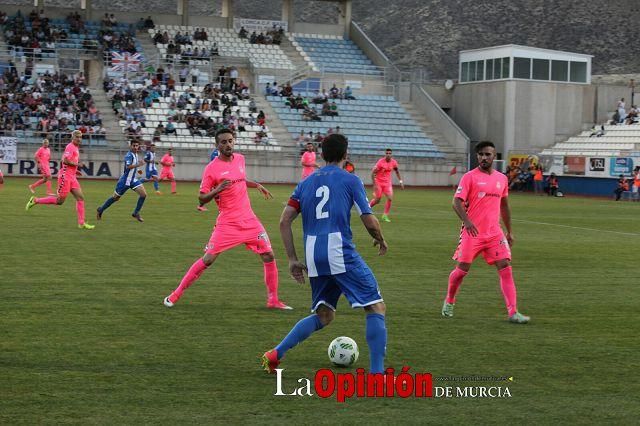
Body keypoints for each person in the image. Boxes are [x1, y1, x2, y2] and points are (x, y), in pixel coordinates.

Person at [261, 134, 388, 374]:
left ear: (321, 155)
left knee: (325, 314)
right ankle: (377, 374)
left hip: (313, 254)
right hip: (339, 251)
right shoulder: (351, 180)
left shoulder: (305, 183)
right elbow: (369, 219)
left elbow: (284, 221)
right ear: (345, 154)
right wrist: (380, 239)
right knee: (375, 307)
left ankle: (275, 354)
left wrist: (291, 259)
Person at [163, 128, 291, 310]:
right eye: (223, 142)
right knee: (208, 259)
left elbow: (239, 180)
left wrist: (256, 185)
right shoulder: (211, 169)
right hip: (228, 223)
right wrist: (217, 190)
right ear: (217, 145)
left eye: (230, 141)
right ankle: (176, 294)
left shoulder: (240, 159)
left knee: (269, 255)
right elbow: (202, 198)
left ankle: (273, 300)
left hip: (249, 220)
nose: (228, 144)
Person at [442, 141, 529, 324]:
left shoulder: (502, 179)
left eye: (487, 154)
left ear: (494, 156)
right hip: (472, 233)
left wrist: (509, 231)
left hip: (494, 234)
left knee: (505, 266)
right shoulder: (469, 177)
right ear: (477, 156)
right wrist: (467, 222)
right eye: (480, 154)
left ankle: (513, 312)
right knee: (462, 270)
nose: (484, 157)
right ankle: (450, 300)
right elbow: (456, 202)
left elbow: (504, 205)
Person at [25, 130, 95, 230]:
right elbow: (65, 160)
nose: (79, 139)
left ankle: (81, 223)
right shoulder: (70, 146)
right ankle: (35, 200)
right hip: (65, 177)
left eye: (80, 137)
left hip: (72, 177)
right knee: (59, 201)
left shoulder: (75, 147)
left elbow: (69, 160)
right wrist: (77, 165)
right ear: (72, 137)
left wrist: (75, 171)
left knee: (80, 198)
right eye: (77, 137)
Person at [96, 140, 150, 222]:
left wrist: (138, 169)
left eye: (137, 146)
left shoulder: (136, 154)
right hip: (125, 181)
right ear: (130, 146)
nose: (135, 147)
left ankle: (136, 213)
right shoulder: (128, 155)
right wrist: (138, 165)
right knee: (115, 198)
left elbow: (133, 165)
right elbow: (128, 166)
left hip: (133, 180)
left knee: (143, 195)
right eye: (134, 146)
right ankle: (101, 209)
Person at [369, 148, 404, 222]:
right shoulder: (380, 162)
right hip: (378, 182)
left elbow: (397, 172)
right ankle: (367, 208)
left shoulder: (394, 162)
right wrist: (374, 184)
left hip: (387, 183)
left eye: (389, 153)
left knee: (390, 198)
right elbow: (373, 173)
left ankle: (385, 215)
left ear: (391, 154)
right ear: (385, 154)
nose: (388, 154)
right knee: (377, 200)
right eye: (387, 153)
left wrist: (400, 182)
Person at [197, 148, 220, 212]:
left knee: (216, 192)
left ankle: (200, 206)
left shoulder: (219, 152)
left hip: (217, 173)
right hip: (214, 173)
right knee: (211, 192)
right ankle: (200, 206)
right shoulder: (216, 152)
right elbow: (214, 162)